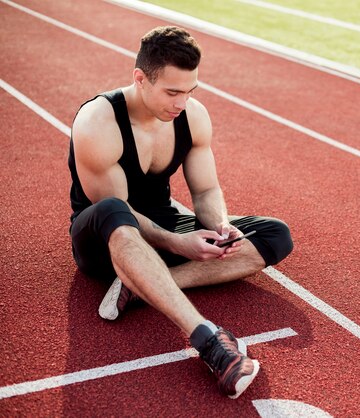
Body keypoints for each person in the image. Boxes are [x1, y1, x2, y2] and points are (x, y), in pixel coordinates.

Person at [67, 26, 293, 399]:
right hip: (105, 240)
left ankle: (140, 288)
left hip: (166, 227)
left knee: (275, 234)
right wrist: (179, 243)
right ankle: (209, 341)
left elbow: (205, 190)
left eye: (190, 92)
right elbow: (119, 213)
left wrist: (220, 225)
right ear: (140, 78)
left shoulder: (192, 116)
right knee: (112, 210)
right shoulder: (98, 122)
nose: (181, 103)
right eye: (172, 92)